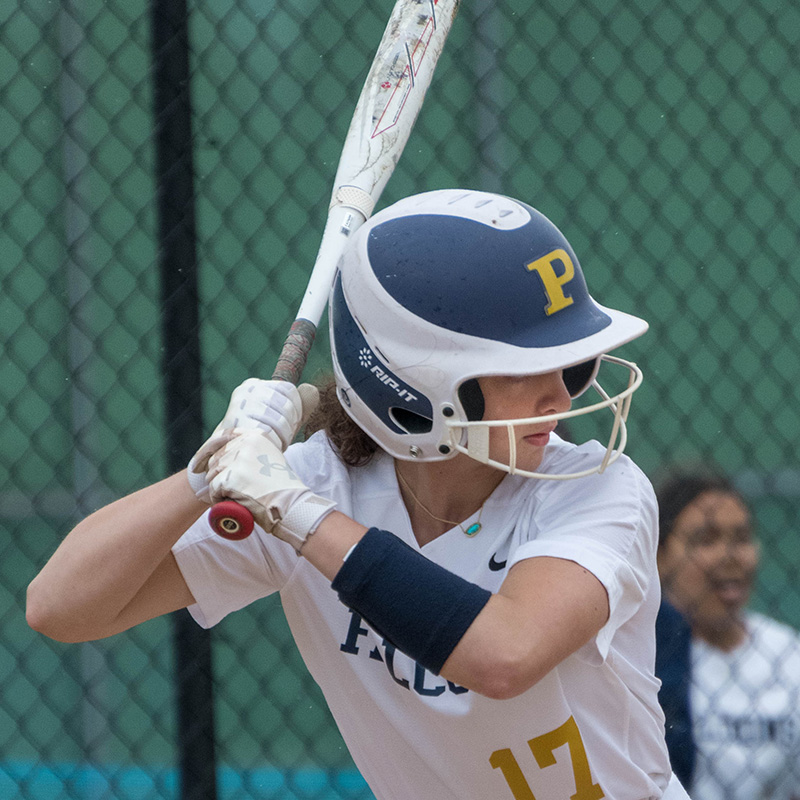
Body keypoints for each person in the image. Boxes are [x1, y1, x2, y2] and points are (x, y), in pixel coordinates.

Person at [28, 189, 691, 799]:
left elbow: (504, 656)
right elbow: (62, 607)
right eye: (520, 368)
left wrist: (297, 513)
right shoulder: (317, 484)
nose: (560, 393)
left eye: (570, 360)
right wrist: (208, 472)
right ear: (419, 385)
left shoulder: (597, 489)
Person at [656, 471, 800, 800]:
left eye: (742, 537)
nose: (729, 555)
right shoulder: (644, 656)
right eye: (705, 540)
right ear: (660, 556)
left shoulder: (788, 652)